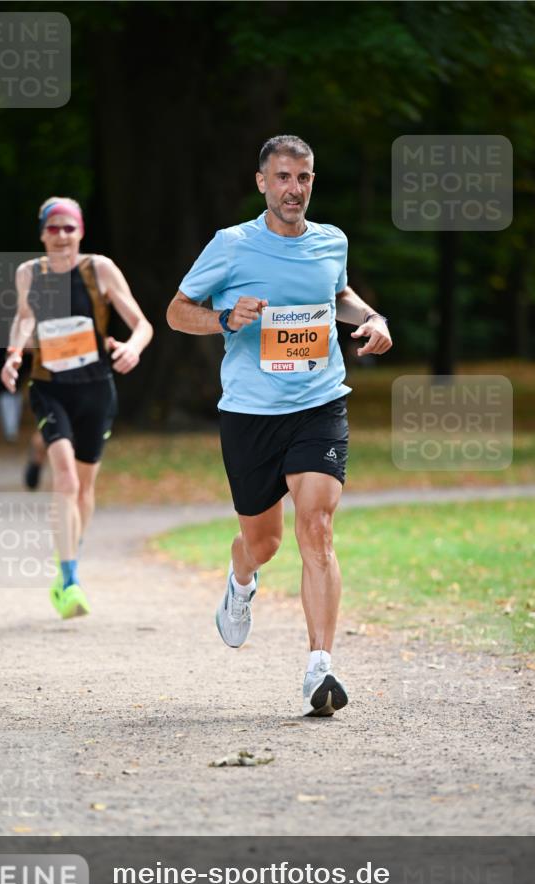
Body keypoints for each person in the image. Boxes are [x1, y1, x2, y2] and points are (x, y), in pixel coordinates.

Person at [167, 135, 392, 717]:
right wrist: (222, 317)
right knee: (263, 542)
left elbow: (336, 293)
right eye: (284, 178)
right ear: (263, 182)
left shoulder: (331, 241)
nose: (295, 189)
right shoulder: (231, 246)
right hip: (250, 414)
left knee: (316, 526)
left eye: (305, 178)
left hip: (319, 404)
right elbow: (175, 312)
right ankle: (241, 579)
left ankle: (320, 667)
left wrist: (372, 317)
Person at [1, 197, 153, 617]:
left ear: (81, 231)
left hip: (96, 391)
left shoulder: (99, 269)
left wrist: (132, 348)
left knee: (85, 488)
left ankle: (69, 556)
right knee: (65, 479)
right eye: (54, 228)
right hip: (50, 388)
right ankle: (69, 581)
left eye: (70, 228)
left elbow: (142, 324)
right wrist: (15, 352)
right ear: (42, 234)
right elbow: (25, 317)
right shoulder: (29, 273)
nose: (62, 236)